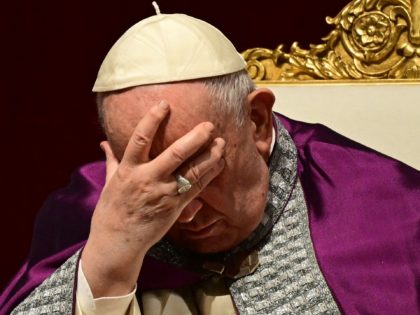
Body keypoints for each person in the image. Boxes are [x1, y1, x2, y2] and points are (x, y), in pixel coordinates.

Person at [1, 8, 419, 315]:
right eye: (155, 173)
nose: (185, 213)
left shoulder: (390, 205)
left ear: (255, 122)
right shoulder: (86, 206)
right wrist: (106, 266)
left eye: (199, 170)